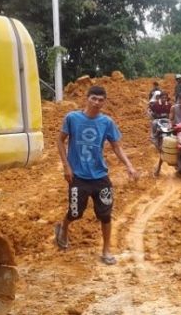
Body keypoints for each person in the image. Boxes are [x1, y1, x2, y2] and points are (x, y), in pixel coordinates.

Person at [54, 85, 139, 265]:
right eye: (94, 98)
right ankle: (64, 227)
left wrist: (129, 166)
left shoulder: (107, 122)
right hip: (77, 176)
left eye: (101, 100)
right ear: (87, 98)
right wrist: (66, 166)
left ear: (104, 102)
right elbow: (60, 141)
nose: (97, 103)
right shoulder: (72, 118)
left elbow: (116, 146)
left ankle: (106, 250)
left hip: (100, 176)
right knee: (75, 212)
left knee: (105, 214)